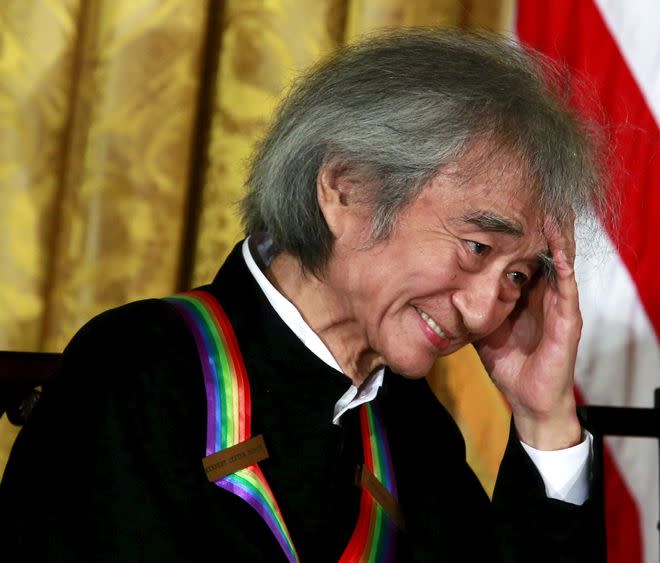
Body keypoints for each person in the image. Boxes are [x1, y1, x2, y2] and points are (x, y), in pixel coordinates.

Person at [0, 29, 606, 561]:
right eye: (477, 247)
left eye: (519, 277)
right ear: (346, 190)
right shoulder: (141, 368)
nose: (482, 311)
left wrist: (543, 418)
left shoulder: (412, 426)